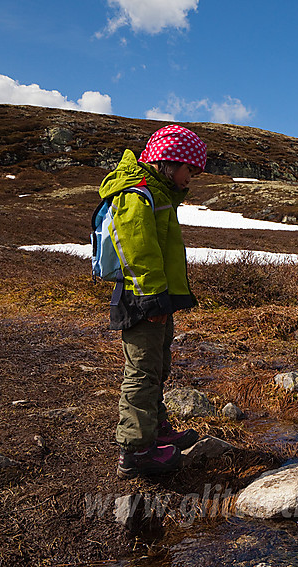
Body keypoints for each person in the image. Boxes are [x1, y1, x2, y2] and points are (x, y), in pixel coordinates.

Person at [99, 125, 205, 479]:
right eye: (190, 170)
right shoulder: (137, 193)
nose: (191, 178)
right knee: (141, 372)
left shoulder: (158, 194)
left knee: (157, 367)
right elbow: (138, 251)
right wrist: (154, 300)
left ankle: (155, 430)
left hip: (157, 299)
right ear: (169, 162)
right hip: (142, 299)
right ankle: (135, 452)